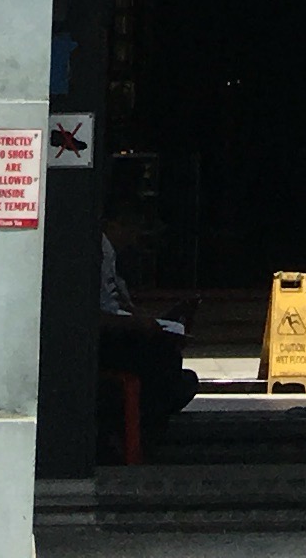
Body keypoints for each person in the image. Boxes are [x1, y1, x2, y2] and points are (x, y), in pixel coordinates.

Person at [96, 185, 195, 454]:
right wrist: (134, 324)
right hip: (102, 341)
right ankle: (140, 433)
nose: (132, 237)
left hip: (117, 329)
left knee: (168, 355)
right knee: (161, 361)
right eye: (129, 228)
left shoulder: (111, 256)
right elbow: (94, 314)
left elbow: (119, 301)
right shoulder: (96, 253)